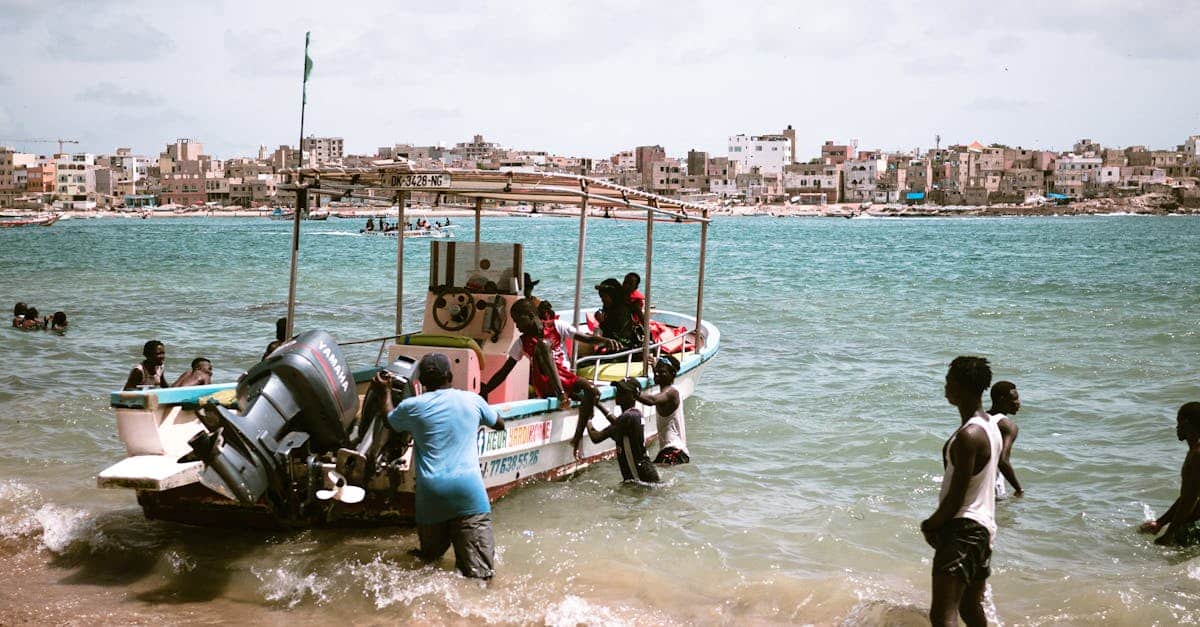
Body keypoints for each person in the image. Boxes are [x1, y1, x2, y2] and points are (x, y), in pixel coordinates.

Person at [371, 353, 505, 579]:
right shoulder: (473, 400)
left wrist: (384, 392)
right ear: (450, 376)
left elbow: (389, 420)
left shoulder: (411, 406)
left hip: (431, 498)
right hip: (468, 495)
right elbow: (499, 424)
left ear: (421, 382)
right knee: (480, 577)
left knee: (428, 565)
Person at [480, 298, 618, 458]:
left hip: (566, 377)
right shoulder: (521, 342)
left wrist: (605, 340)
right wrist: (486, 389)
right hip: (546, 383)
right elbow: (504, 371)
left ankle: (577, 437)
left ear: (531, 315)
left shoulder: (557, 327)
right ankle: (562, 396)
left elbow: (586, 338)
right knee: (543, 345)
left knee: (591, 390)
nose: (517, 326)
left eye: (519, 321)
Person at [921, 356, 1001, 627]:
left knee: (942, 614)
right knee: (969, 606)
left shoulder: (969, 435)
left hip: (964, 530)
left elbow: (956, 497)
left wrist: (930, 524)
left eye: (949, 381)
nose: (945, 386)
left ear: (960, 386)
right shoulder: (991, 428)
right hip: (983, 530)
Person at [1139, 402, 1200, 546]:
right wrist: (1160, 522)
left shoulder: (1197, 456)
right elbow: (1188, 496)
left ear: (1186, 423)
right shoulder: (1195, 452)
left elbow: (1190, 500)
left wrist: (1169, 534)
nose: (1176, 427)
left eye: (1178, 422)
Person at [586, 378, 661, 483]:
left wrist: (587, 418)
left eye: (623, 392)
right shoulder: (634, 414)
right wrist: (598, 405)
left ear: (634, 396)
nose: (619, 394)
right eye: (618, 390)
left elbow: (596, 437)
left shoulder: (627, 417)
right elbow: (617, 422)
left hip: (640, 478)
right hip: (644, 475)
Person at [636, 354, 689, 465]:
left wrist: (632, 392)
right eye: (657, 371)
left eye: (662, 372)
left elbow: (652, 400)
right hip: (671, 451)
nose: (658, 374)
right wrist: (655, 365)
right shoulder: (666, 389)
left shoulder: (671, 392)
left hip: (674, 451)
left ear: (672, 374)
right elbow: (660, 372)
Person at [987, 381, 1023, 498]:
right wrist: (1018, 489)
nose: (1018, 403)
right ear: (1002, 399)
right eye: (1015, 399)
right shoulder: (1007, 425)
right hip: (992, 489)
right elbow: (1002, 461)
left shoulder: (978, 418)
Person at [594, 278, 642, 352]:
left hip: (624, 348)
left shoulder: (621, 312)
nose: (602, 299)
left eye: (605, 296)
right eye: (601, 297)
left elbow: (618, 338)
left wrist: (602, 322)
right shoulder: (611, 308)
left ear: (613, 296)